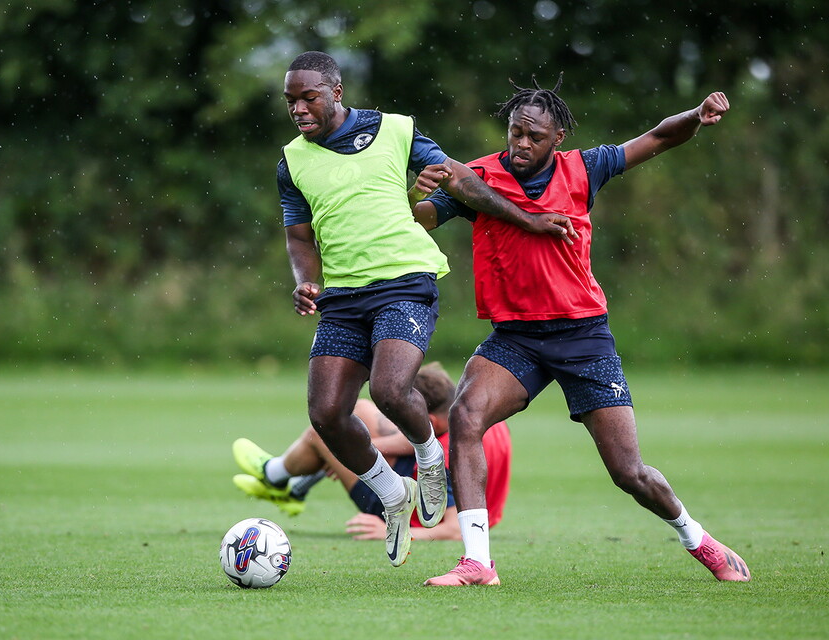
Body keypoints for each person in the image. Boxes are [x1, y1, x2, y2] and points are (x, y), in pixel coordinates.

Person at [410, 76, 750, 586]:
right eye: (515, 132)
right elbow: (423, 219)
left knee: (628, 472)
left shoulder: (584, 169)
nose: (521, 144)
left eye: (535, 136)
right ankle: (478, 562)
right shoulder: (477, 177)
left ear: (558, 138)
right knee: (466, 414)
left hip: (583, 336)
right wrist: (414, 198)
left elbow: (656, 138)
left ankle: (696, 539)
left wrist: (695, 117)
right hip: (516, 337)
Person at [263, 52, 570, 568]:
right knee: (326, 414)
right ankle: (391, 495)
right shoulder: (291, 162)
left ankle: (429, 455)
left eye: (308, 97)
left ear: (336, 92)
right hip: (342, 297)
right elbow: (298, 237)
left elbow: (461, 180)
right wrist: (306, 280)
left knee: (388, 389)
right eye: (290, 99)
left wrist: (527, 221)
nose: (298, 108)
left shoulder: (394, 129)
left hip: (404, 283)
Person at [231, 363, 511, 542]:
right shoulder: (483, 423)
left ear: (431, 422)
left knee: (323, 434)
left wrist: (393, 531)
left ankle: (277, 476)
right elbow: (425, 439)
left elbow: (454, 529)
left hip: (407, 508)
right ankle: (293, 486)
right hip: (430, 480)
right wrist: (363, 448)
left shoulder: (449, 461)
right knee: (360, 411)